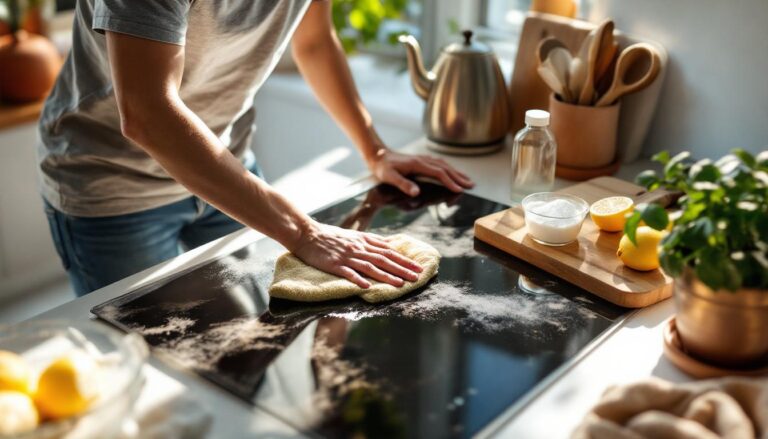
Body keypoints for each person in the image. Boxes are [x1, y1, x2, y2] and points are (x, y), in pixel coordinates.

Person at [38, 0, 474, 297]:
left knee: (244, 353)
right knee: (151, 374)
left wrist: (374, 151)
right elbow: (148, 113)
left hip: (227, 165)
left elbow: (315, 40)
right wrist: (304, 232)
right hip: (112, 187)